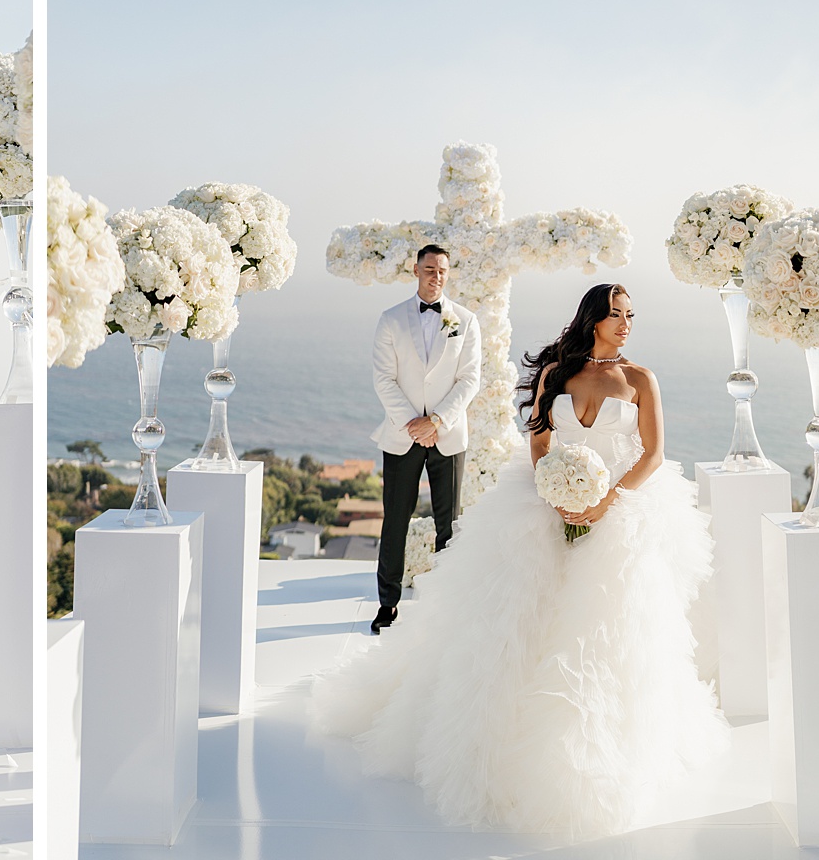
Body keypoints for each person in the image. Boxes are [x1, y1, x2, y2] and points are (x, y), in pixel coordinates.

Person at [312, 283, 729, 839]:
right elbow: (538, 442)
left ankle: (589, 752)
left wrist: (606, 501)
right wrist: (556, 493)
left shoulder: (640, 380)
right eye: (615, 315)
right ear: (592, 320)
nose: (626, 323)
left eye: (631, 315)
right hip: (547, 502)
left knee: (602, 625)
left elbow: (653, 455)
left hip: (619, 508)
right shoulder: (557, 372)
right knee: (507, 618)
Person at [367, 244, 481, 632]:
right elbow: (383, 378)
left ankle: (445, 609)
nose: (436, 276)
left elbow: (469, 379)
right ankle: (387, 605)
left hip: (447, 436)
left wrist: (436, 421)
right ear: (416, 270)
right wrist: (413, 424)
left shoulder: (466, 321)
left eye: (443, 270)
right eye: (429, 268)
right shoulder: (391, 319)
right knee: (395, 521)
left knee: (448, 525)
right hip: (402, 437)